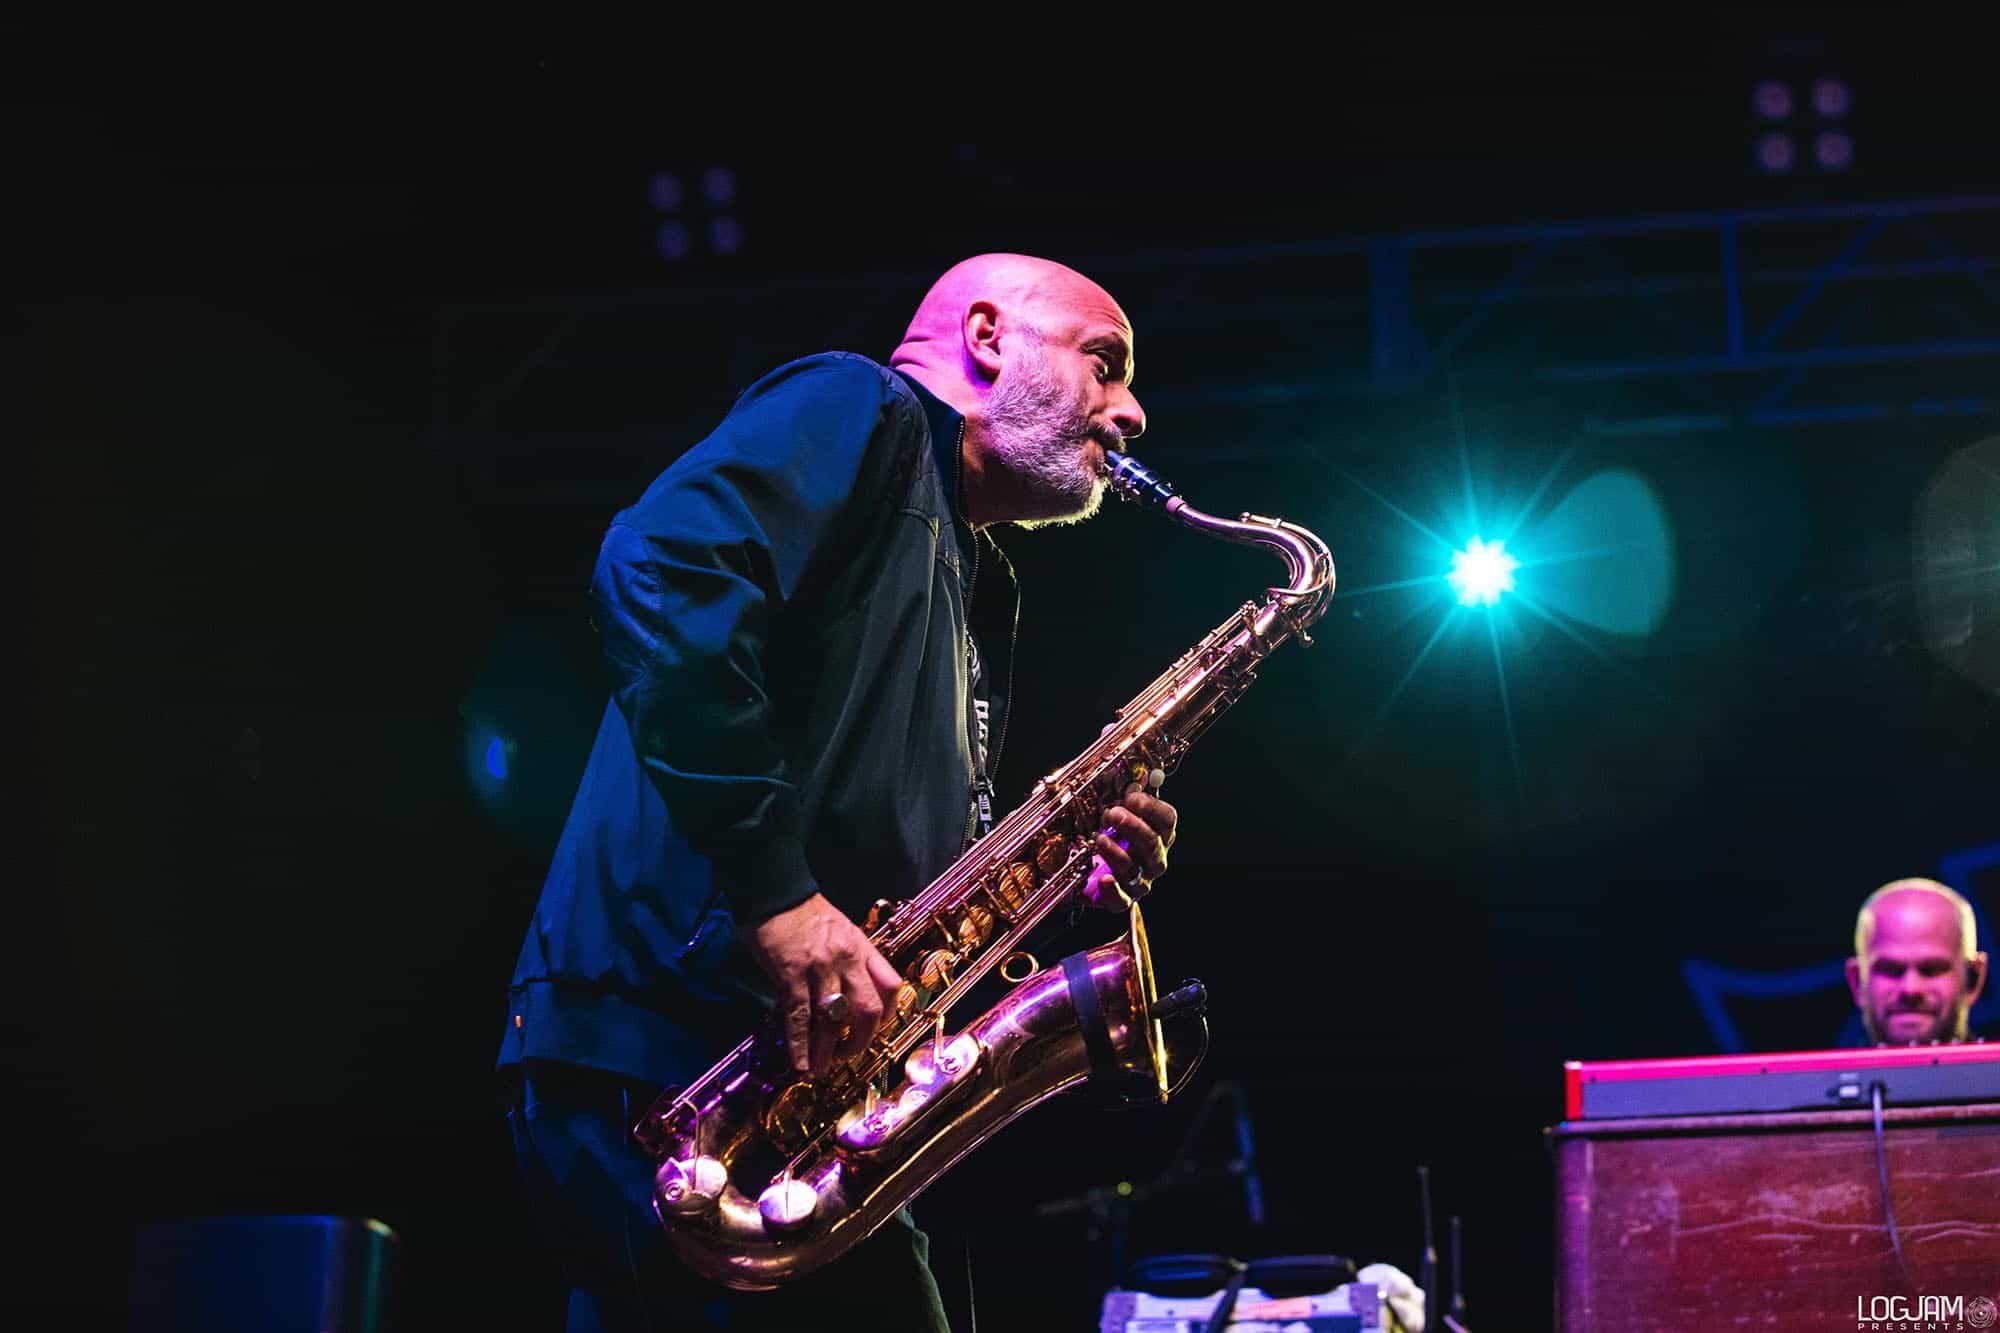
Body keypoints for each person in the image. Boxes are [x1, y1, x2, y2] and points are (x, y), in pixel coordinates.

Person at [498, 253, 1181, 1331]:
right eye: (1104, 364)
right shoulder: (855, 403)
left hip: (781, 1084)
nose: (1130, 409)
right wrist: (778, 897)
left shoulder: (969, 568)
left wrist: (1050, 868)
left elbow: (899, 858)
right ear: (990, 337)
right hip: (678, 1061)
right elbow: (658, 569)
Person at [1845, 877, 1988, 1046]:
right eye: (1891, 970)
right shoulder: (1813, 1074)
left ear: (1973, 979)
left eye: (1931, 969)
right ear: (1857, 982)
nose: (1910, 989)